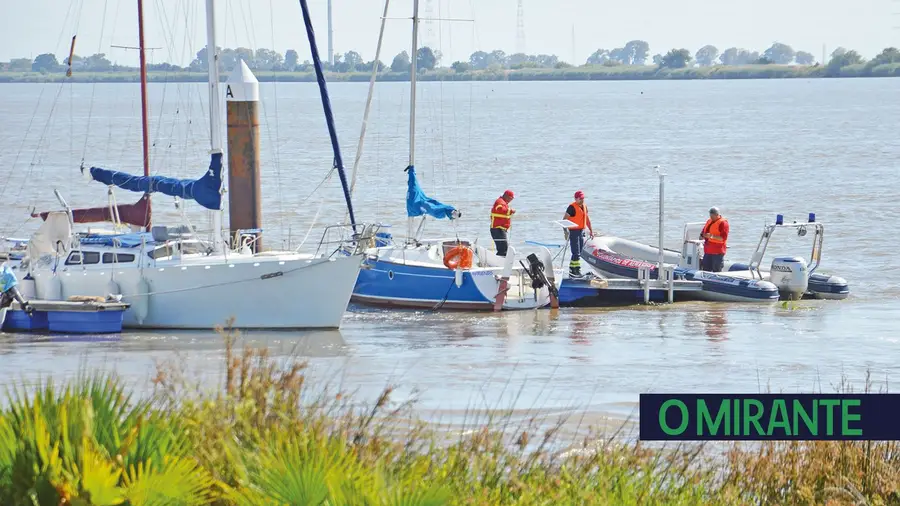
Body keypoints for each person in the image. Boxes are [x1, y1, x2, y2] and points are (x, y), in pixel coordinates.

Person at [563, 190, 594, 277]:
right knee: (575, 252)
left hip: (581, 231)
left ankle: (575, 269)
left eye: (583, 198)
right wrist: (565, 232)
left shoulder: (584, 206)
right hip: (573, 231)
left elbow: (587, 220)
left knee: (579, 251)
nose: (582, 200)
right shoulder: (572, 207)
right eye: (580, 198)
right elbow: (564, 219)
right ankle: (573, 271)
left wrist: (591, 230)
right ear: (575, 199)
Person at [700, 206, 729, 272]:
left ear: (717, 215)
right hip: (708, 251)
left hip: (717, 252)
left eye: (712, 216)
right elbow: (704, 230)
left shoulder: (723, 223)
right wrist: (702, 235)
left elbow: (723, 238)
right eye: (710, 215)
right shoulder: (709, 221)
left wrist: (711, 236)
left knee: (717, 271)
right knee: (705, 270)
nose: (711, 217)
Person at [489, 190, 516, 257]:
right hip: (498, 229)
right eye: (510, 198)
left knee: (503, 249)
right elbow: (499, 209)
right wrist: (510, 211)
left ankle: (500, 262)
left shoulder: (503, 202)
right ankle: (500, 263)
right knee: (503, 250)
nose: (511, 200)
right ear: (506, 196)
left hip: (500, 229)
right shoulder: (500, 202)